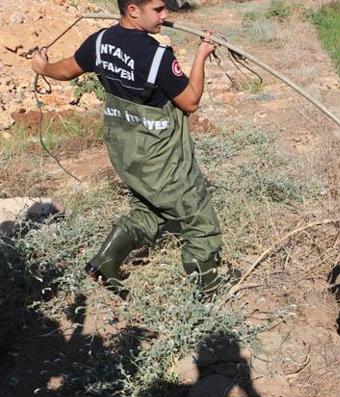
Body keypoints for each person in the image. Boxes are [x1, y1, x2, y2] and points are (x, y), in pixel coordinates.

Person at [31, 0, 223, 298]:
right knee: (196, 209)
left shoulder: (100, 41)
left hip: (124, 149)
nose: (166, 15)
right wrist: (202, 55)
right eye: (158, 9)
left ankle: (104, 264)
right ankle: (207, 284)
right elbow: (191, 101)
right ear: (133, 10)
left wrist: (43, 67)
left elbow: (67, 70)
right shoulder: (156, 55)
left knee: (150, 205)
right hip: (158, 151)